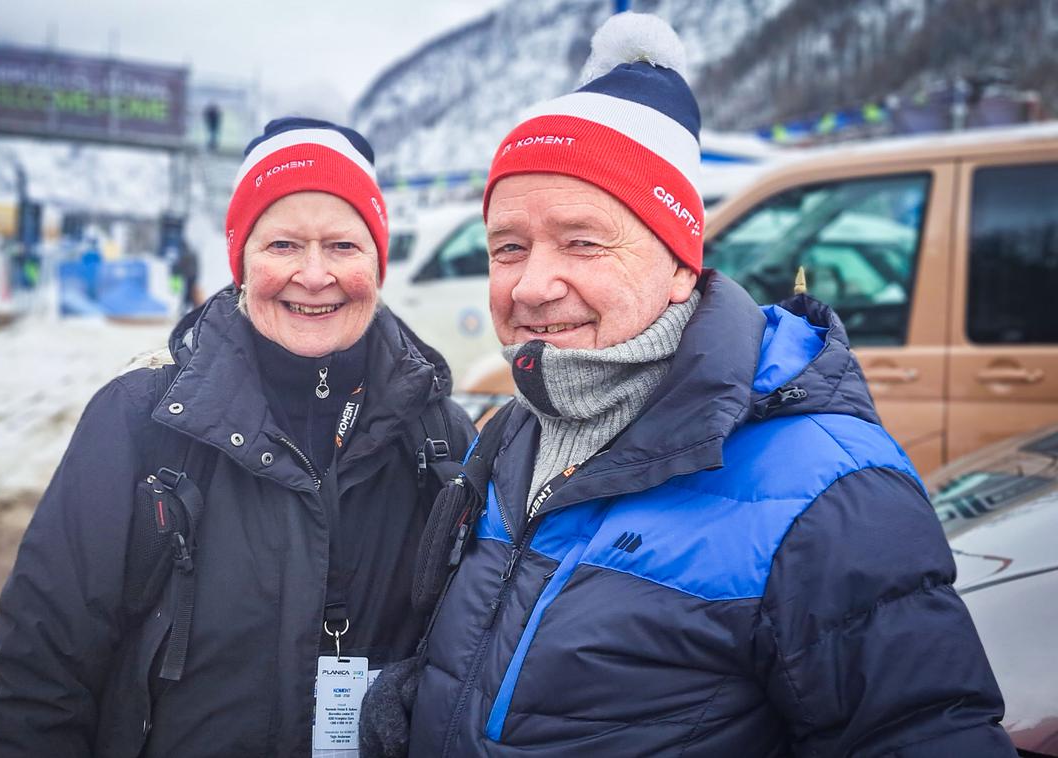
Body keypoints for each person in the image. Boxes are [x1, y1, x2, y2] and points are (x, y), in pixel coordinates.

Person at [371, 13, 1015, 757]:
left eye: (582, 242)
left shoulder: (827, 489)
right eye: (508, 248)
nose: (533, 284)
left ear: (680, 263)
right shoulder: (522, 431)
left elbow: (924, 733)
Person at [0, 117, 475, 757]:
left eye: (344, 246)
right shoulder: (140, 422)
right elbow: (40, 676)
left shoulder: (439, 434)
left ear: (378, 260)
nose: (315, 275)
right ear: (241, 260)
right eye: (284, 246)